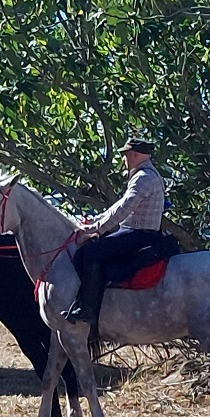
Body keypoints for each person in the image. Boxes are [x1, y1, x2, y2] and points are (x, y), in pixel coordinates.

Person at [63, 138, 167, 331]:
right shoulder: (146, 175)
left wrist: (96, 229)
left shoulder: (143, 178)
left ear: (134, 155)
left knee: (91, 253)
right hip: (137, 232)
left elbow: (123, 210)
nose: (123, 160)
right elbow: (118, 206)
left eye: (125, 155)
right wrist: (95, 221)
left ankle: (88, 309)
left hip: (139, 235)